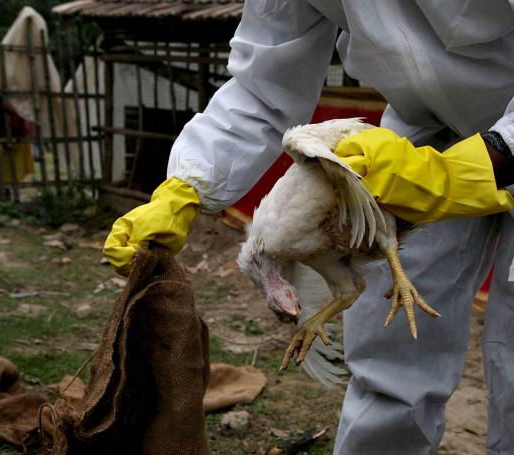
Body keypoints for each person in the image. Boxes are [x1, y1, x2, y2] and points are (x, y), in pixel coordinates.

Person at [104, 2, 514, 454]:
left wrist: (494, 155)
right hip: (412, 143)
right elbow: (263, 84)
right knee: (389, 364)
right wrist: (184, 187)